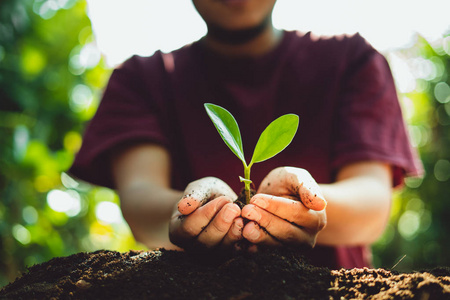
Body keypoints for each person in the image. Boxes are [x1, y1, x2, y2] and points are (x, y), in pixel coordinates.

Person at [69, 0, 422, 269]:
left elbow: (371, 205)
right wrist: (196, 212)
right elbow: (141, 202)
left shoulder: (352, 61)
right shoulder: (142, 79)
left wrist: (301, 206)